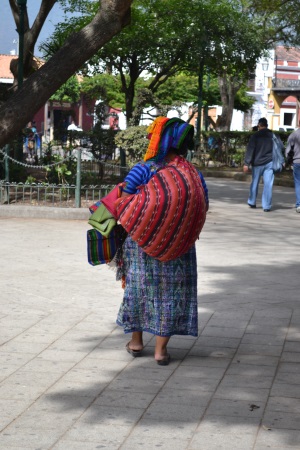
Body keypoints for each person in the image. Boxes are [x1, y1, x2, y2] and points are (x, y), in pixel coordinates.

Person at [115, 117, 209, 365]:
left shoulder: (143, 169)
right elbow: (202, 206)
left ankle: (136, 343)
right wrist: (173, 229)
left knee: (139, 290)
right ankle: (160, 351)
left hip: (140, 244)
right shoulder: (194, 174)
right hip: (180, 246)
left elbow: (123, 203)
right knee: (170, 294)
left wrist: (148, 222)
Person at [243, 117, 275, 212]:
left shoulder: (255, 136)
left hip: (257, 163)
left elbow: (250, 150)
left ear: (259, 125)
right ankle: (267, 206)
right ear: (267, 125)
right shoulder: (272, 135)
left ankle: (252, 201)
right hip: (270, 162)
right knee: (268, 184)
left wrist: (246, 163)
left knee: (255, 182)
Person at [285, 128, 300, 213]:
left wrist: (288, 161)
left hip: (297, 161)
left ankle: (299, 204)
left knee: (298, 183)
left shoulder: (293, 135)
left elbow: (288, 150)